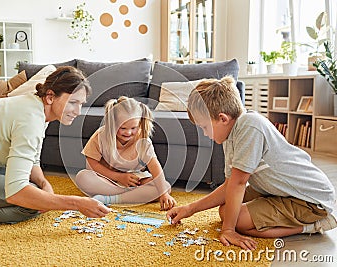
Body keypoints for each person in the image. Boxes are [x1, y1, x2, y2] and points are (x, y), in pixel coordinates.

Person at [166, 76, 336, 250]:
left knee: (237, 221)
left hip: (310, 200)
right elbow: (229, 185)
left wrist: (229, 230)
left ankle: (313, 225)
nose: (204, 133)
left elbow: (239, 182)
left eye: (204, 127)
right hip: (277, 190)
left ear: (223, 118)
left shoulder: (249, 126)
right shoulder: (230, 135)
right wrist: (189, 209)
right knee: (225, 211)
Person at [0, 66, 111, 227]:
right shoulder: (30, 120)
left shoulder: (35, 107)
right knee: (30, 201)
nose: (78, 111)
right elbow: (17, 192)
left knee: (35, 191)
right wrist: (76, 203)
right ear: (50, 96)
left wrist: (43, 183)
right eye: (73, 102)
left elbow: (32, 158)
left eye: (81, 104)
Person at [74, 96, 176, 210]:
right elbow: (91, 163)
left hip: (134, 181)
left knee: (165, 187)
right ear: (112, 123)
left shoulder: (142, 140)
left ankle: (109, 199)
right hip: (106, 179)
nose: (128, 132)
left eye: (133, 128)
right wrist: (119, 177)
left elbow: (155, 166)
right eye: (123, 128)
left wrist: (164, 194)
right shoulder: (101, 135)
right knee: (82, 177)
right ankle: (133, 196)